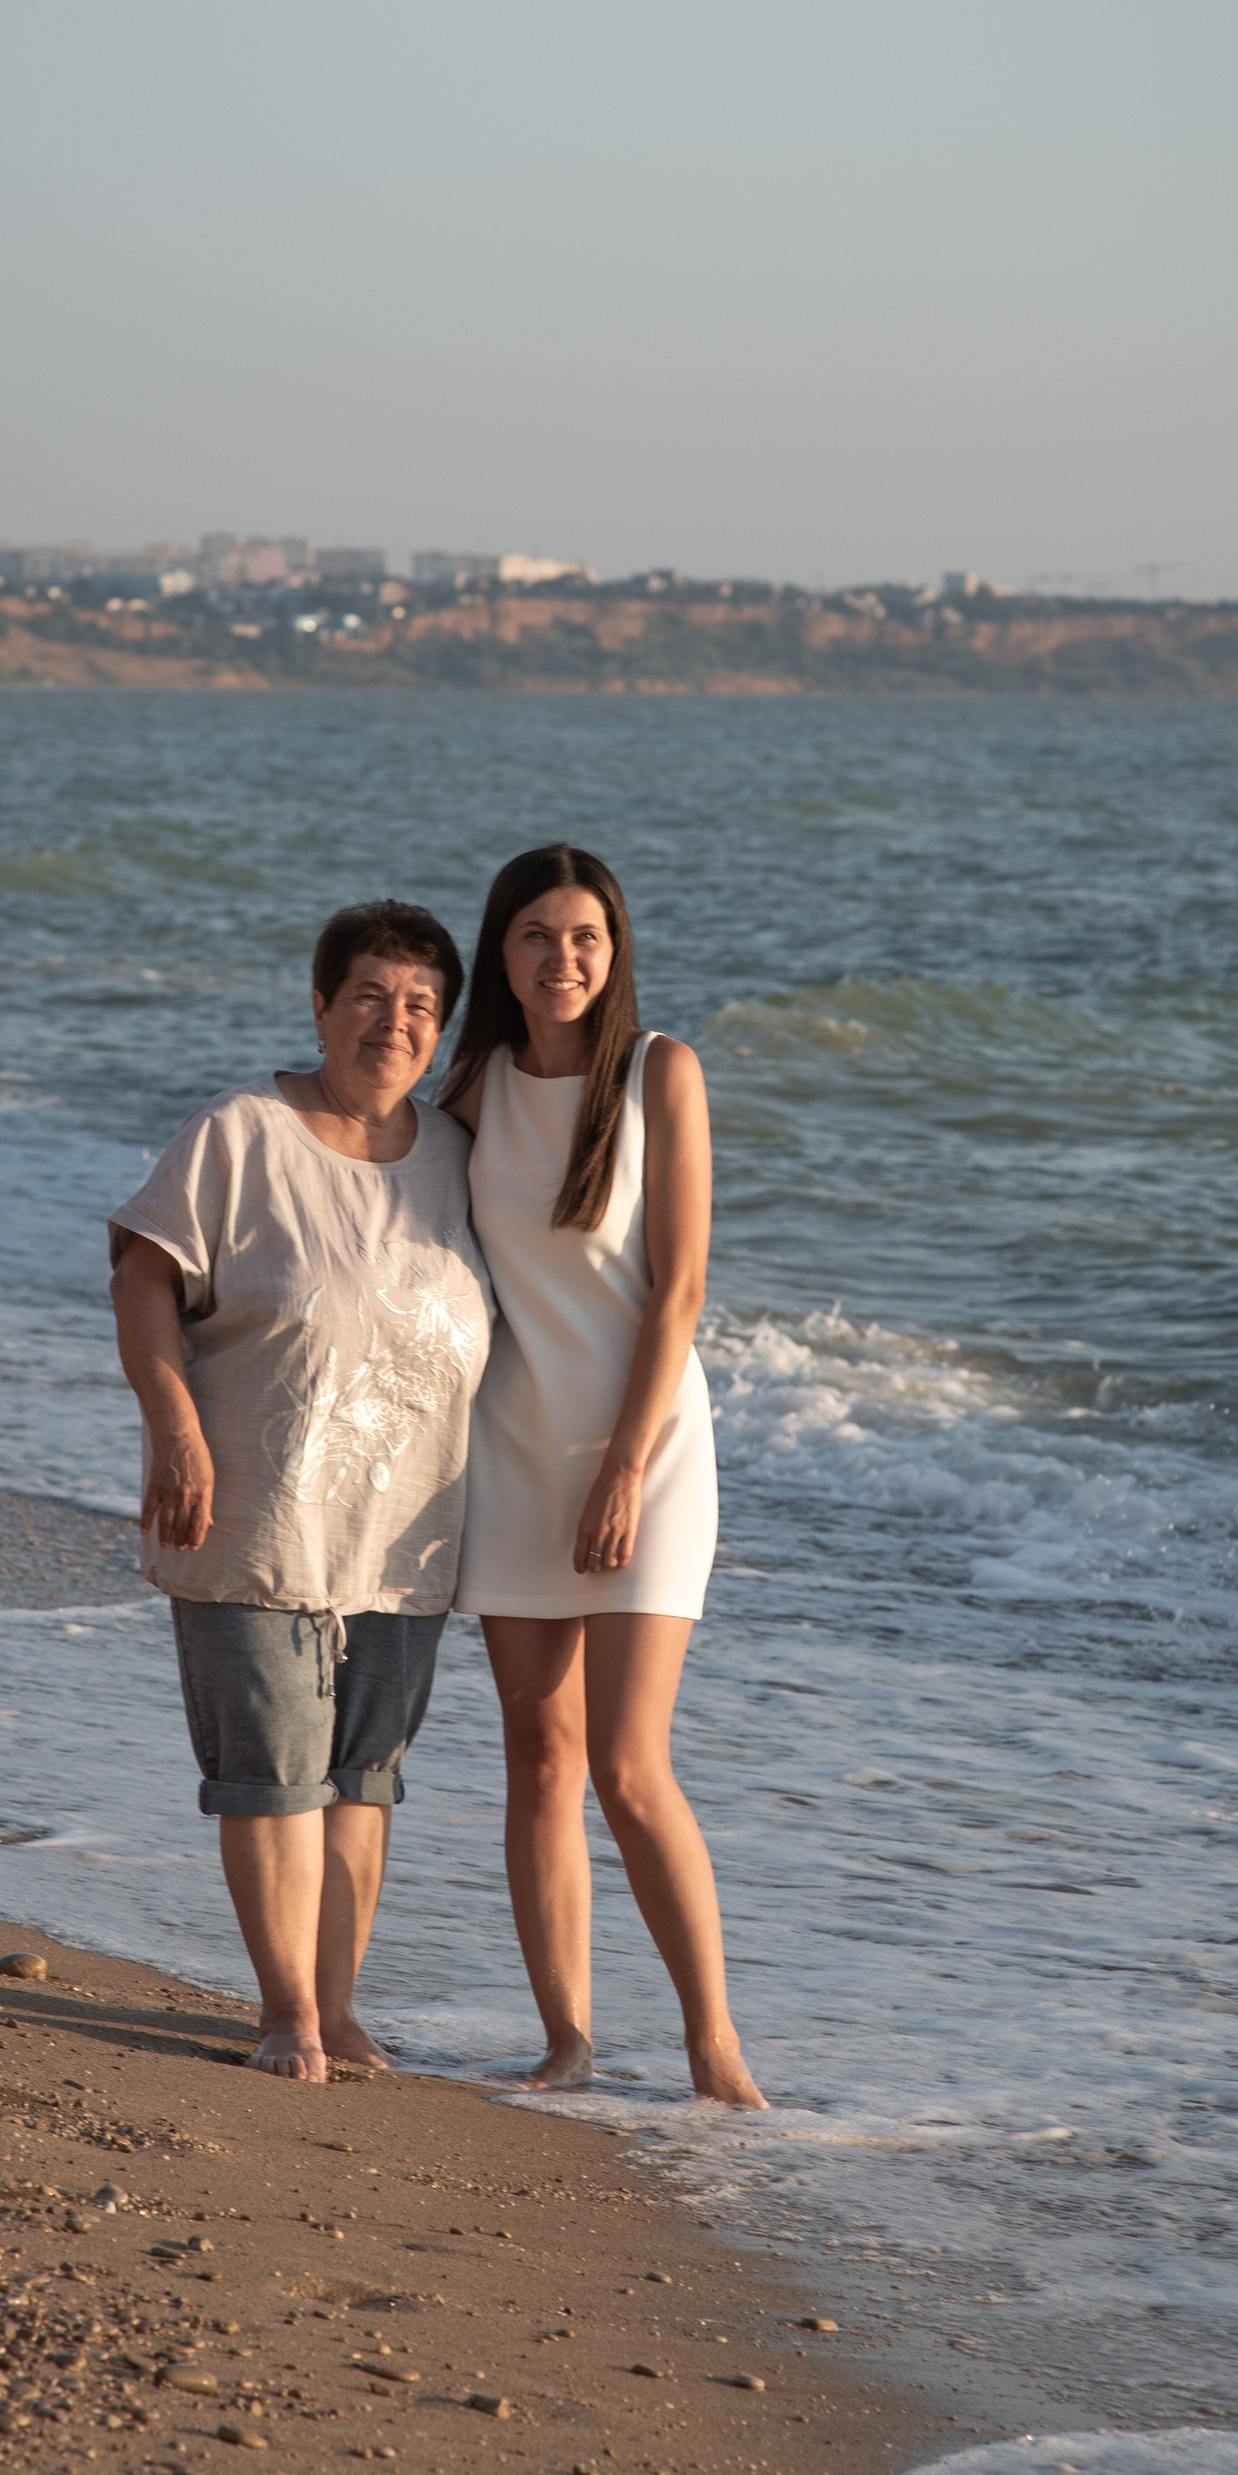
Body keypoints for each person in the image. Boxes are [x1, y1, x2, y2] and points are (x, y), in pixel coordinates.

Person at [108, 899, 490, 2083]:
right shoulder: (242, 1131)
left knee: (362, 1775)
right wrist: (173, 1429)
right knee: (270, 1768)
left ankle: (339, 2005)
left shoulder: (457, 1157)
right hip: (252, 1508)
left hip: (405, 1526)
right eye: (369, 994)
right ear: (320, 1005)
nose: (394, 1019)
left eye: (422, 1004)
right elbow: (140, 1275)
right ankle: (285, 2014)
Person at [443, 844, 766, 2109]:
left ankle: (712, 2043)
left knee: (630, 1764)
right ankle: (567, 2041)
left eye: (584, 936)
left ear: (615, 947)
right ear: (499, 950)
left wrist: (624, 1467)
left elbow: (679, 1289)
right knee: (538, 1755)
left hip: (648, 1448)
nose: (561, 959)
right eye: (534, 935)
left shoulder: (659, 1072)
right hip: (515, 1447)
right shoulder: (472, 1085)